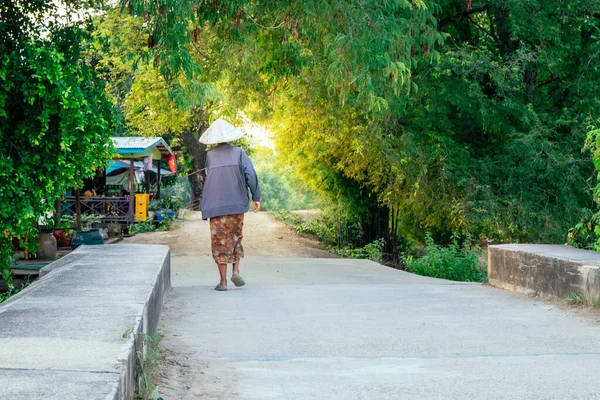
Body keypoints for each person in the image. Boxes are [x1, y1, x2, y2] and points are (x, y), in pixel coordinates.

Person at [201, 142, 260, 291]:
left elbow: (208, 178)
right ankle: (236, 270)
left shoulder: (209, 155)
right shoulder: (239, 152)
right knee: (235, 237)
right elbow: (250, 174)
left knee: (219, 241)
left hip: (215, 206)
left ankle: (223, 282)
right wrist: (256, 197)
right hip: (237, 203)